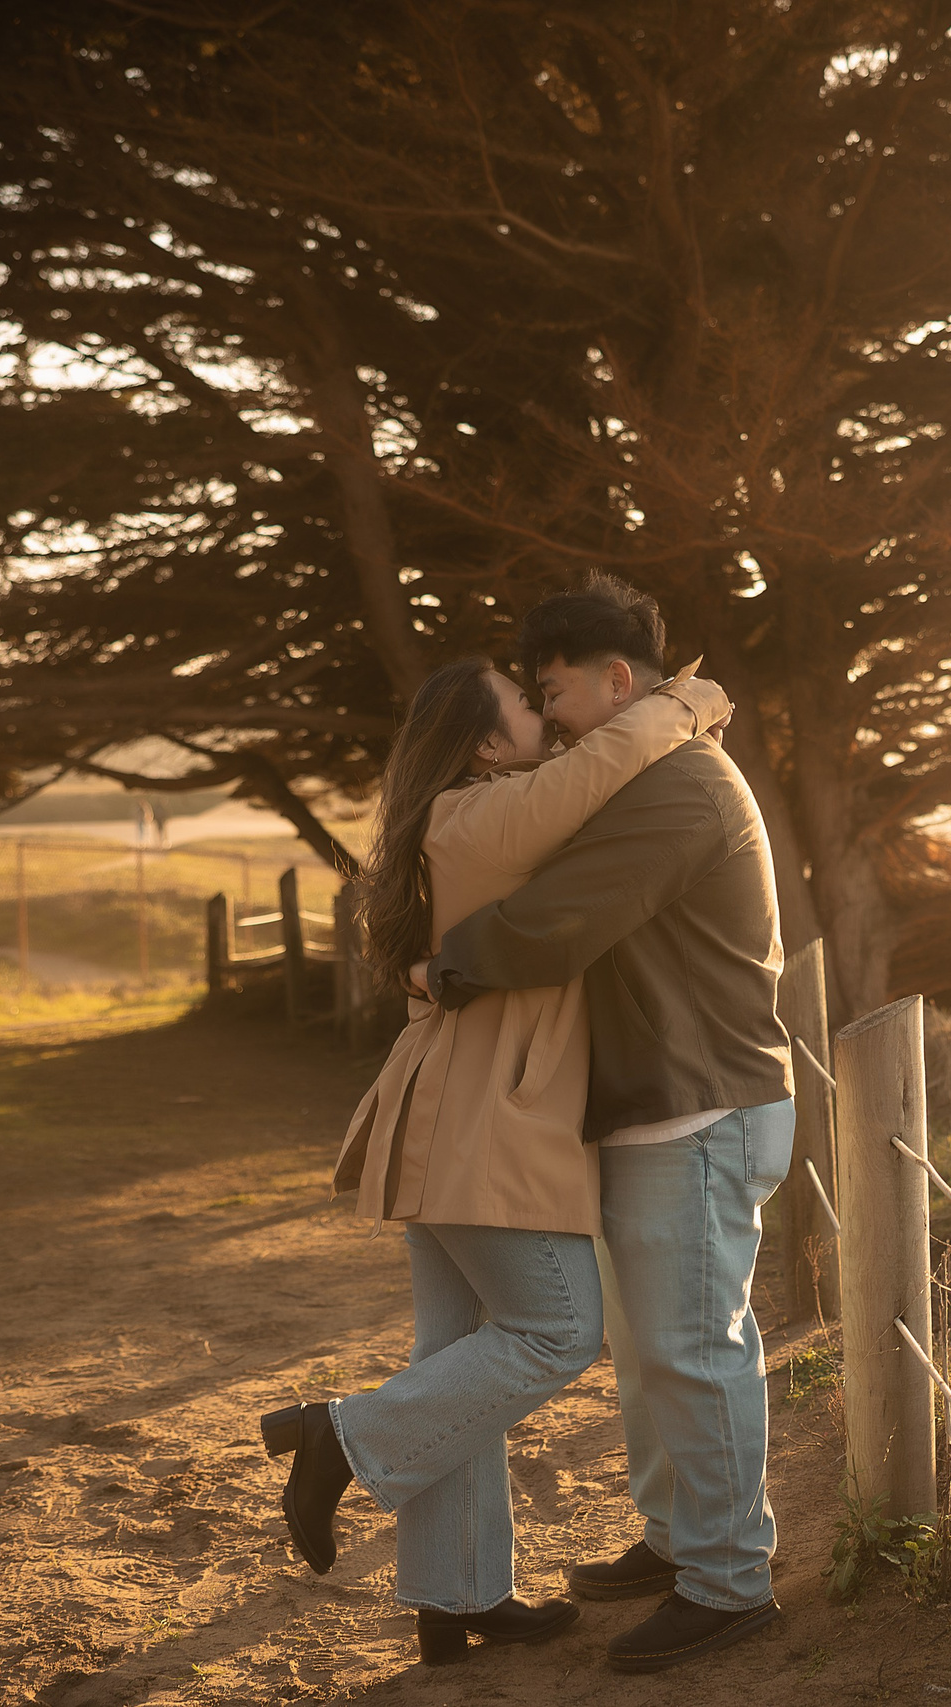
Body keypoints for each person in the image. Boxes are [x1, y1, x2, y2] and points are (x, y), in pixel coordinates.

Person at [257, 650, 730, 1668]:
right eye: (524, 703)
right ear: (480, 742)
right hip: (480, 1125)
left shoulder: (459, 819)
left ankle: (455, 1593)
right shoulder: (482, 815)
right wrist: (687, 700)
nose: (543, 717)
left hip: (447, 1116)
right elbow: (602, 764)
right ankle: (341, 1437)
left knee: (453, 1354)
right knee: (557, 1329)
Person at [421, 573, 797, 1675]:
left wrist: (443, 965)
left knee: (693, 1347)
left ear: (617, 682)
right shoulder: (646, 772)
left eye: (554, 693)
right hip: (658, 1105)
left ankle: (729, 1580)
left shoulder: (680, 784)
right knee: (650, 1351)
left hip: (701, 1104)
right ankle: (679, 1538)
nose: (549, 720)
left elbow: (560, 918)